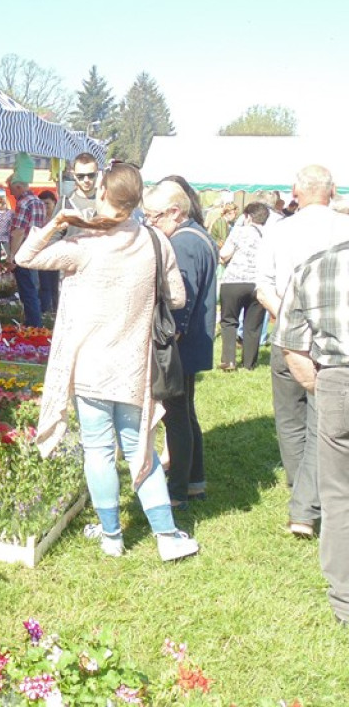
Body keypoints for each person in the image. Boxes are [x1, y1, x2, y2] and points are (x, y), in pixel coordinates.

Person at [16, 161, 198, 561]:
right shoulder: (155, 241)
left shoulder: (84, 245)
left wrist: (58, 221)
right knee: (140, 448)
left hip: (89, 365)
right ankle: (167, 536)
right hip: (134, 366)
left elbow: (25, 256)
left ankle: (112, 536)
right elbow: (177, 297)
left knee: (97, 450)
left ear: (101, 194)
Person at [256, 164, 349, 537]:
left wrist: (287, 317)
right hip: (329, 334)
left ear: (295, 193)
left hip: (286, 332)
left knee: (289, 418)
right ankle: (307, 502)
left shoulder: (278, 230)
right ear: (333, 190)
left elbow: (263, 286)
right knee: (320, 420)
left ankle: (302, 493)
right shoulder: (343, 227)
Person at [273, 238, 349, 625]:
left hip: (338, 380)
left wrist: (322, 389)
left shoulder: (315, 266)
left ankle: (344, 601)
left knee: (338, 495)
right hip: (335, 381)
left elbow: (291, 346)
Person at [142, 181, 217, 508]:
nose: (150, 222)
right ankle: (194, 482)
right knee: (185, 414)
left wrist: (166, 343)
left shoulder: (183, 243)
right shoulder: (199, 235)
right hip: (193, 343)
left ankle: (177, 491)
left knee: (176, 418)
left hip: (180, 346)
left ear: (175, 212)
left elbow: (179, 302)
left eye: (155, 216)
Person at [217, 201, 268, 370]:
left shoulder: (239, 231)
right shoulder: (270, 235)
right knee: (253, 325)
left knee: (229, 321)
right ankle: (249, 363)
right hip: (258, 283)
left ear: (248, 217)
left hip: (234, 281)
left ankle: (229, 360)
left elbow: (224, 254)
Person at [5, 152, 46, 327]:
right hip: (35, 251)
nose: (11, 194)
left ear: (19, 186)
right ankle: (34, 325)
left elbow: (18, 232)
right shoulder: (38, 202)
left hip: (23, 253)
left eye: (12, 190)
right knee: (32, 290)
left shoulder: (23, 203)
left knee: (27, 292)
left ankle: (33, 326)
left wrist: (12, 257)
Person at [36, 191, 60, 314]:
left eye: (47, 203)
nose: (45, 207)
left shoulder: (58, 219)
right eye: (42, 204)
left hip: (56, 256)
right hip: (42, 256)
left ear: (54, 203)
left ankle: (55, 310)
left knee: (54, 285)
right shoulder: (39, 219)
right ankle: (45, 311)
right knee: (44, 284)